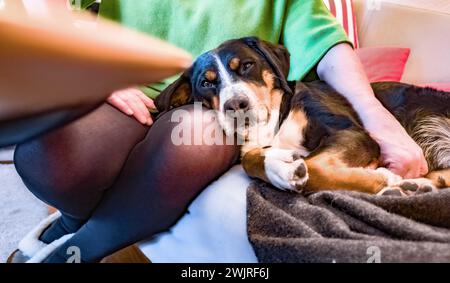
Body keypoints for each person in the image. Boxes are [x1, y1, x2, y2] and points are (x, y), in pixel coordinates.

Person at [12, 0, 428, 263]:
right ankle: (70, 224)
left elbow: (326, 43)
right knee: (50, 155)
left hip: (198, 111)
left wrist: (379, 120)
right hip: (122, 88)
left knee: (200, 136)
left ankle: (76, 250)